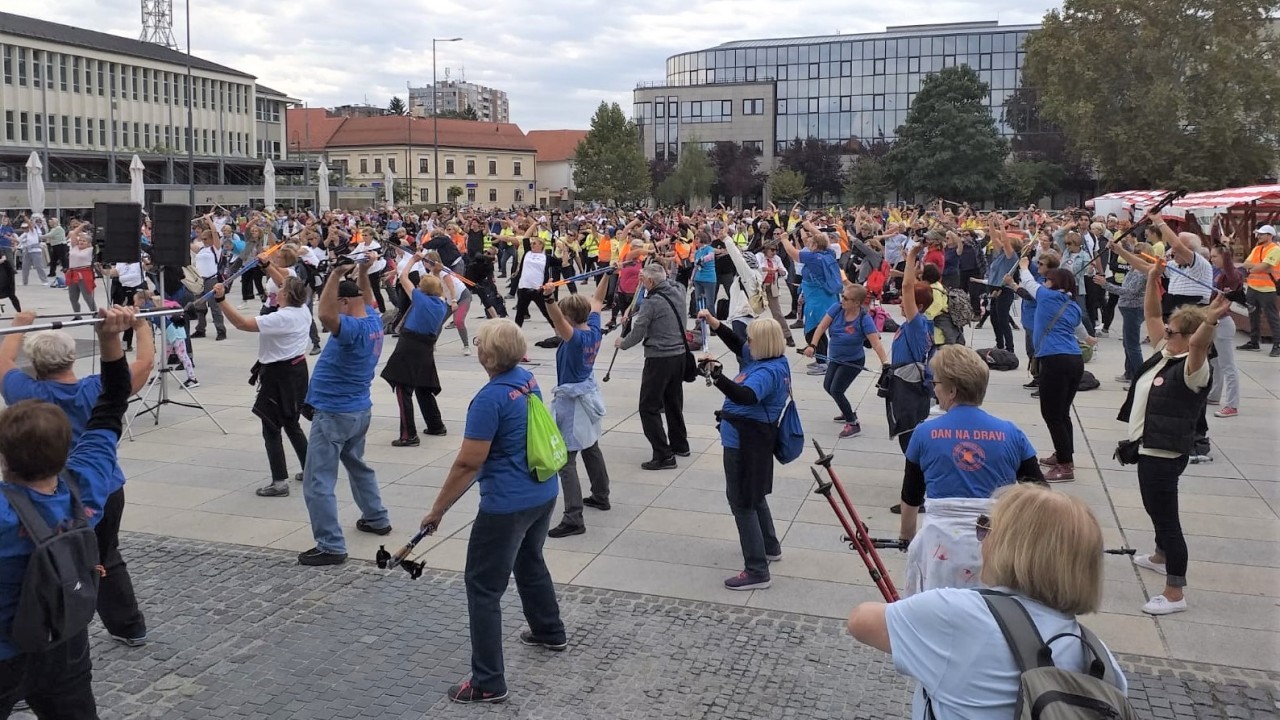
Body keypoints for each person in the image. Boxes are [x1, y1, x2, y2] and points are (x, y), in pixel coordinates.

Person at [848, 483, 1128, 720]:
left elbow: (860, 620)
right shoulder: (1099, 659)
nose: (980, 540)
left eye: (986, 528)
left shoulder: (957, 613)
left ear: (1012, 547)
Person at [0, 307, 140, 717]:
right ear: (66, 450)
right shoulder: (88, 482)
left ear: (5, 455)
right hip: (64, 641)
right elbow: (114, 400)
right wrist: (110, 336)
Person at [419, 320, 565, 705]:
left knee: (483, 587)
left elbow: (468, 463)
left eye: (480, 342)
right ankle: (549, 630)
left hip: (507, 505)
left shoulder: (488, 399)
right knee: (530, 560)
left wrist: (437, 510)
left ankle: (487, 682)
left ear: (486, 356)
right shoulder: (526, 379)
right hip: (542, 490)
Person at [1119, 262, 1224, 615]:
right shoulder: (1166, 354)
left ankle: (1175, 591)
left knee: (1167, 519)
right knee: (1154, 508)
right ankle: (1160, 555)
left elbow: (1197, 346)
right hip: (1147, 448)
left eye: (1173, 331)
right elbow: (1151, 314)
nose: (1165, 333)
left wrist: (1209, 321)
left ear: (1188, 337)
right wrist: (1152, 280)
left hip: (1164, 453)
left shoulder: (1194, 368)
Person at [897, 346, 1043, 594]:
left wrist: (906, 538)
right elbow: (1040, 492)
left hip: (941, 550)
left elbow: (911, 497)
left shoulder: (924, 433)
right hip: (995, 543)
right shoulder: (1011, 432)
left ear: (952, 391)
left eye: (936, 383)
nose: (934, 388)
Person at [299, 257, 391, 566]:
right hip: (358, 410)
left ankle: (331, 545)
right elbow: (365, 297)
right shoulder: (373, 320)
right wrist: (364, 271)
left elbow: (324, 313)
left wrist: (336, 274)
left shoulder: (351, 328)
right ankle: (377, 517)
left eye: (339, 302)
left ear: (345, 302)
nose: (335, 309)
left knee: (317, 481)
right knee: (357, 465)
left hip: (335, 413)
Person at [699, 318, 792, 590]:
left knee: (741, 500)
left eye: (752, 339)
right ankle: (769, 545)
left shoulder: (767, 372)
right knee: (754, 493)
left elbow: (745, 396)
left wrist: (716, 376)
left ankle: (756, 569)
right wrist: (716, 325)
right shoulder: (772, 359)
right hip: (751, 437)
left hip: (746, 441)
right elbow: (739, 346)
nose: (748, 343)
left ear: (762, 344)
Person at [214, 277, 314, 498]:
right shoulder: (303, 311)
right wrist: (267, 265)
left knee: (271, 427)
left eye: (281, 288)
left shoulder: (282, 317)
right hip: (297, 371)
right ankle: (311, 469)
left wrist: (221, 299)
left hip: (279, 375)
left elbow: (242, 324)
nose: (277, 290)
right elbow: (288, 281)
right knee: (291, 422)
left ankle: (279, 482)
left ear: (287, 295)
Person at [542, 276, 613, 538]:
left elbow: (557, 320)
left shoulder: (574, 339)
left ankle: (573, 518)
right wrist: (610, 273)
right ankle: (601, 494)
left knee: (566, 459)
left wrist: (549, 298)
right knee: (591, 446)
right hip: (587, 395)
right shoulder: (592, 327)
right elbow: (597, 299)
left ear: (569, 318)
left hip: (572, 402)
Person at [1015, 259, 1084, 482]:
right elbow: (1079, 328)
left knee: (1052, 414)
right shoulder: (1072, 304)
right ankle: (1064, 454)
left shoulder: (1047, 296)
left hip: (1055, 360)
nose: (1043, 282)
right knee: (1062, 413)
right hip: (1074, 359)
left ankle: (1065, 466)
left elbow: (1028, 283)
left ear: (1055, 284)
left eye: (1047, 279)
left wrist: (1024, 266)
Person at [616, 263, 690, 470]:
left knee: (648, 407)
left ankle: (664, 454)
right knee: (673, 402)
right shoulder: (678, 290)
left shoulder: (651, 302)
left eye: (643, 280)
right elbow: (668, 280)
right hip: (679, 355)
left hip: (660, 357)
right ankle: (680, 445)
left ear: (649, 282)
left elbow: (638, 332)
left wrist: (622, 343)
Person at [804, 283, 888, 438]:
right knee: (827, 386)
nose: (842, 300)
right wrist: (812, 346)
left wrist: (885, 364)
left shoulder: (864, 319)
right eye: (842, 296)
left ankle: (853, 423)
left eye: (846, 298)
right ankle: (846, 410)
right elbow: (821, 327)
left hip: (853, 361)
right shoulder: (837, 309)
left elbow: (876, 343)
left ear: (857, 303)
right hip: (835, 358)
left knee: (836, 389)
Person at [381, 258, 449, 446]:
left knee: (403, 388)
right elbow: (438, 288)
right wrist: (436, 272)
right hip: (426, 346)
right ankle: (435, 425)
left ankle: (408, 435)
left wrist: (414, 259)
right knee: (424, 386)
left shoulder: (419, 299)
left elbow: (403, 277)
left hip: (410, 344)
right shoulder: (442, 303)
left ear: (422, 290)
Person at [1097, 242, 1153, 385]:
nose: (1135, 254)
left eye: (1139, 252)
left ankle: (1138, 378)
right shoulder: (1133, 270)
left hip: (1134, 308)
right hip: (1127, 308)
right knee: (1128, 343)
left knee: (1133, 345)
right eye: (1134, 251)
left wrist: (1106, 285)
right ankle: (1129, 372)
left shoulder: (1143, 272)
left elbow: (1130, 291)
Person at [1207, 246, 1242, 417]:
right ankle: (1214, 396)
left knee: (1228, 366)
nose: (1211, 259)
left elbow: (1229, 264)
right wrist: (1214, 229)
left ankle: (1232, 405)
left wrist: (1226, 248)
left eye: (1214, 256)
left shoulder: (1233, 275)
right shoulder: (1219, 273)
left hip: (1223, 324)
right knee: (1215, 362)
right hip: (1214, 321)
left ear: (1225, 257)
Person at [1238, 224, 1280, 356]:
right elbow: (1246, 264)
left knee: (1272, 317)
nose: (1259, 236)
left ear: (1269, 236)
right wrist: (1257, 267)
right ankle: (1254, 341)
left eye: (1261, 234)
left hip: (1268, 289)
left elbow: (1264, 267)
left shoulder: (1275, 249)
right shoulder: (1257, 248)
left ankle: (1277, 345)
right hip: (1253, 287)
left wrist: (1254, 267)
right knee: (1253, 315)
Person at [755, 240, 794, 345]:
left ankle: (788, 336)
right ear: (766, 249)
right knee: (754, 312)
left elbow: (784, 272)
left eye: (776, 250)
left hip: (772, 287)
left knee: (777, 313)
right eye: (772, 250)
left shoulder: (777, 259)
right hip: (760, 288)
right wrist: (766, 269)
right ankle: (752, 337)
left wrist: (782, 272)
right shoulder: (759, 256)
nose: (774, 252)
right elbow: (756, 268)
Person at [64, 230, 98, 319]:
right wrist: (82, 226)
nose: (81, 242)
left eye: (84, 241)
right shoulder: (74, 247)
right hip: (72, 273)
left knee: (87, 297)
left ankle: (95, 315)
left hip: (84, 274)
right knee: (73, 297)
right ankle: (77, 316)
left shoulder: (90, 250)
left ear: (88, 243)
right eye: (80, 240)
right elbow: (73, 233)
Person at [42, 217, 67, 285]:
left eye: (50, 222)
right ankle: (52, 272)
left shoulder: (58, 228)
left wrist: (39, 236)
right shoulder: (53, 229)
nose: (49, 224)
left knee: (63, 259)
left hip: (60, 245)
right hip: (55, 245)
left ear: (54, 222)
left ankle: (66, 270)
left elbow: (50, 235)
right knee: (53, 260)